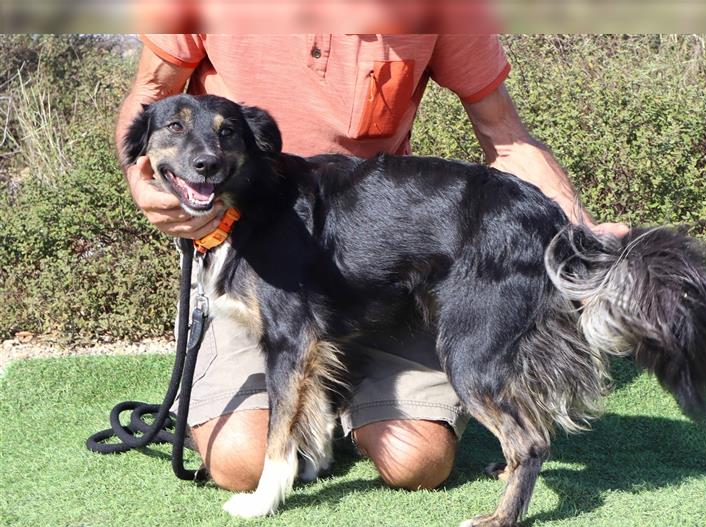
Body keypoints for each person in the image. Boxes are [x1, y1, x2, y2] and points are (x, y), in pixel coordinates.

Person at [116, 34, 629, 494]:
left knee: (417, 463)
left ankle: (334, 403)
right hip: (251, 244)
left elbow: (506, 134)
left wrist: (577, 240)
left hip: (380, 268)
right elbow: (151, 93)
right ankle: (317, 412)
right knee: (238, 463)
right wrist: (145, 183)